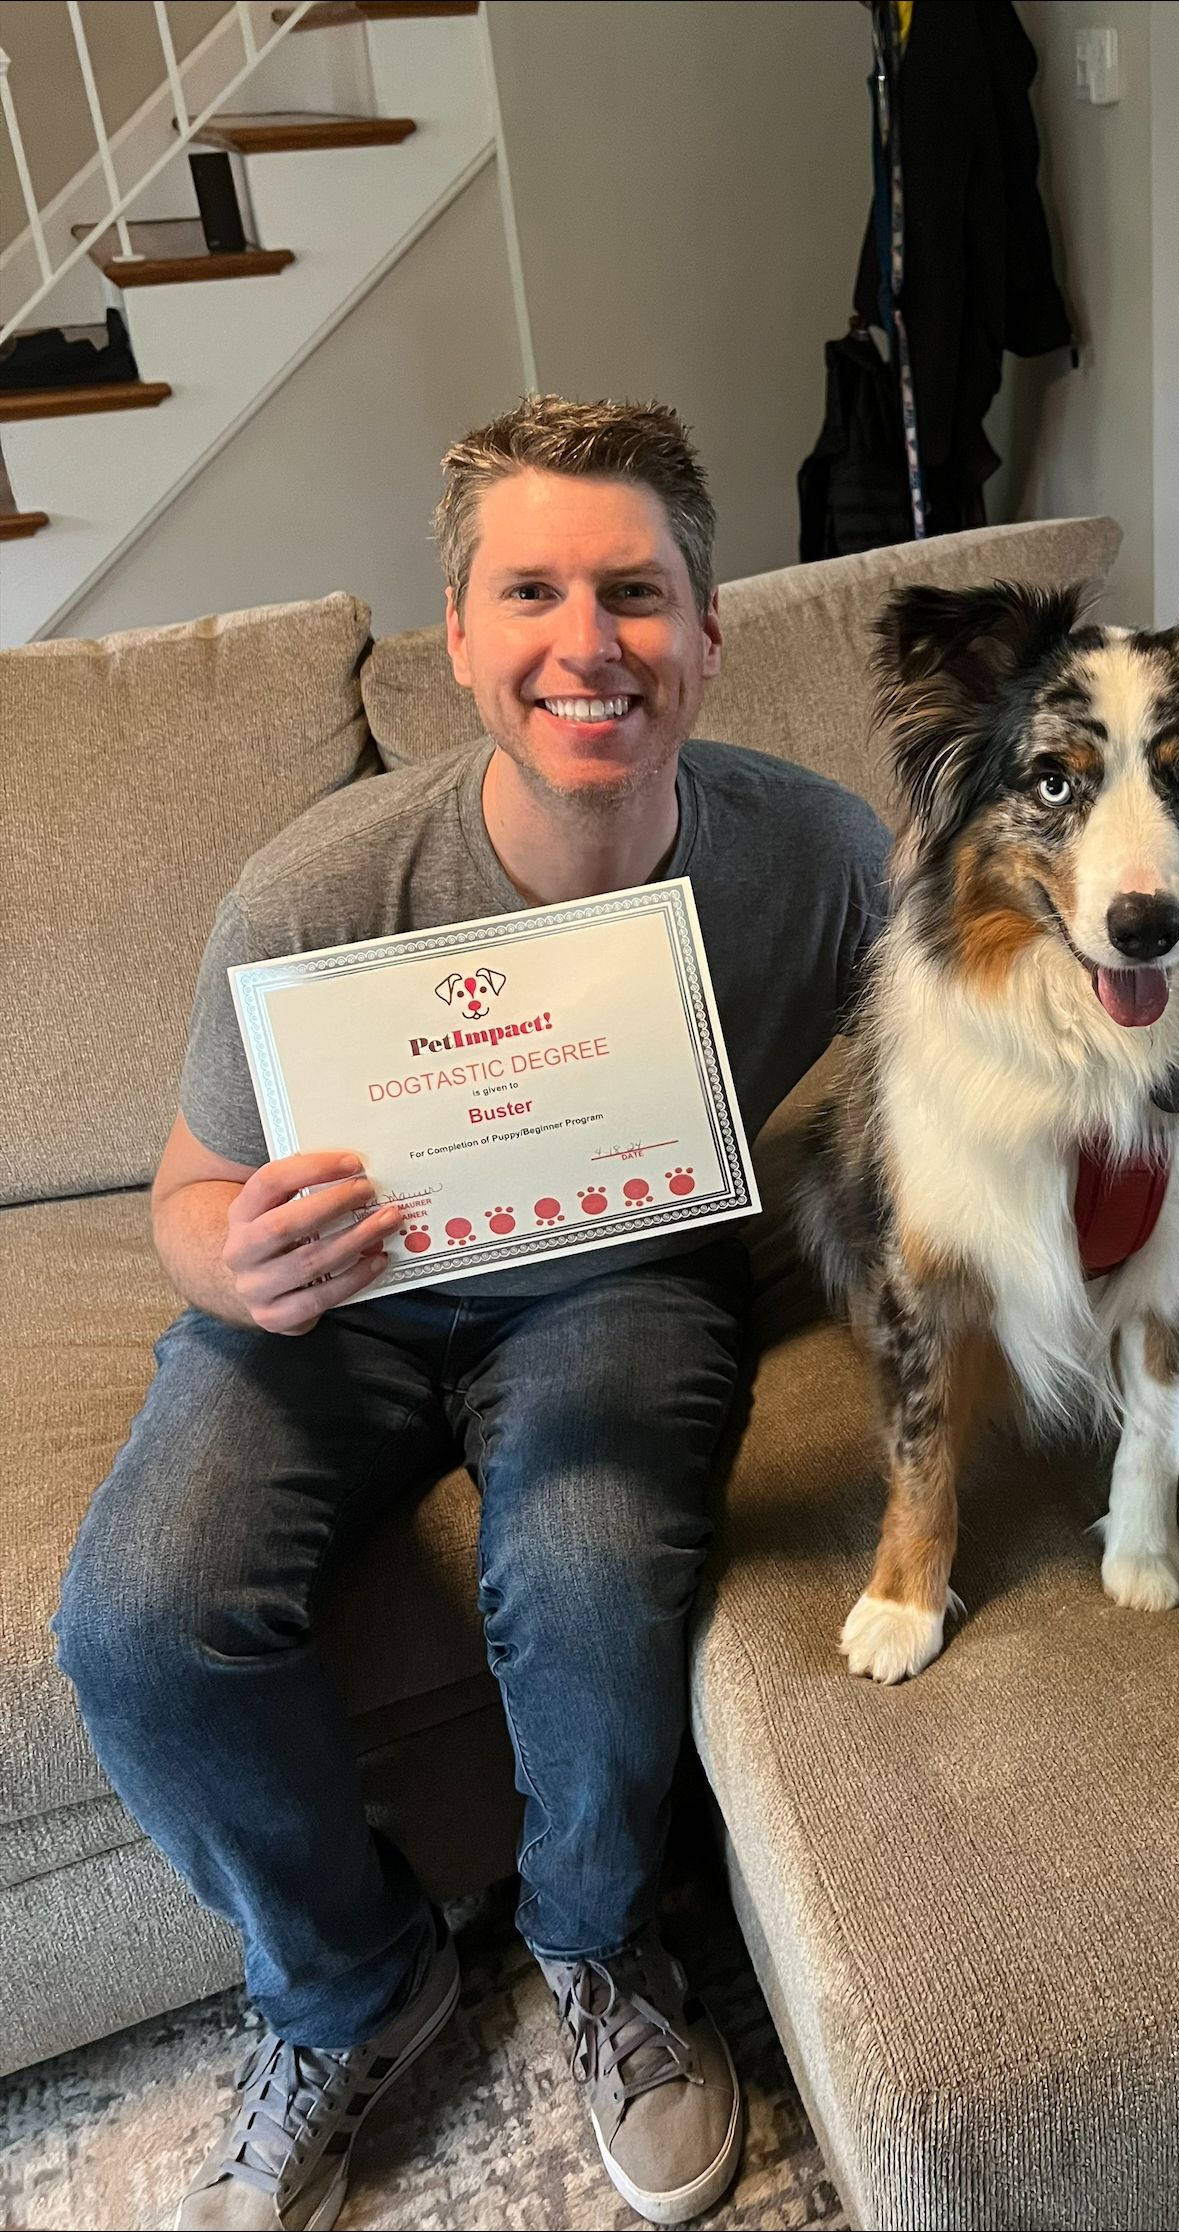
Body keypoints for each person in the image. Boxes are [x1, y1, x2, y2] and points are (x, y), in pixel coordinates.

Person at [53, 395, 890, 2231]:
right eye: (531, 592)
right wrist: (232, 1255)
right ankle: (357, 1981)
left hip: (614, 1290)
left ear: (709, 625)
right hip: (337, 1317)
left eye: (635, 592)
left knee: (589, 1576)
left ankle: (600, 1953)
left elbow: (981, 1016)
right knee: (133, 1626)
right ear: (457, 638)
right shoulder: (317, 886)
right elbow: (185, 1200)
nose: (587, 645)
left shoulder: (816, 857)